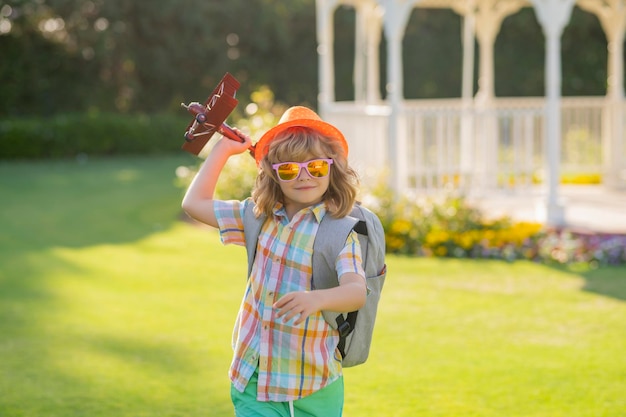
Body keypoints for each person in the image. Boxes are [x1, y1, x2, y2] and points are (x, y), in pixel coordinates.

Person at [181, 106, 367, 417]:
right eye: (290, 169)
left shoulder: (337, 230)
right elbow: (194, 203)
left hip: (314, 384)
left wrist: (316, 299)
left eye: (317, 167)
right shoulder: (257, 217)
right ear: (274, 174)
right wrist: (223, 149)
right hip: (254, 379)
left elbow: (356, 291)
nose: (304, 176)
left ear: (331, 170)